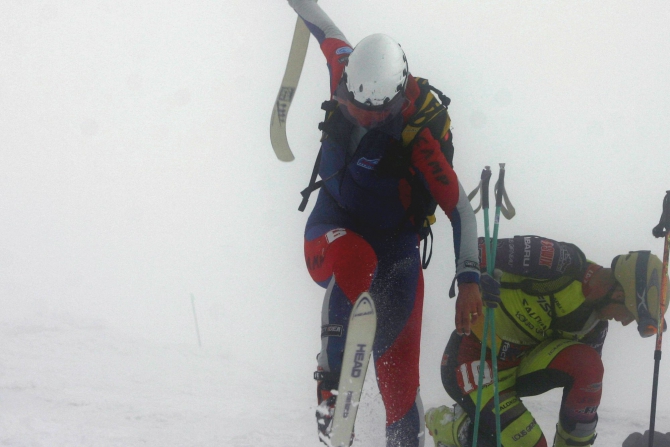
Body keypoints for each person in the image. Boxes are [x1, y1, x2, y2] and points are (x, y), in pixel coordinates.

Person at [285, 1, 483, 446]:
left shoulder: (419, 135)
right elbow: (322, 24)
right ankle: (331, 388)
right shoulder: (345, 69)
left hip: (397, 258)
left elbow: (460, 209)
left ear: (395, 103)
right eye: (353, 107)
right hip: (333, 230)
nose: (360, 116)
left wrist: (468, 276)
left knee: (401, 399)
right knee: (356, 257)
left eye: (374, 114)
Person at [425, 235, 669, 447]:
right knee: (525, 444)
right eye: (630, 314)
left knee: (589, 365)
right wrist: (477, 278)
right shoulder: (560, 262)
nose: (625, 322)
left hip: (517, 368)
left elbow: (580, 394)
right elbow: (476, 249)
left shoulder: (595, 326)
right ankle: (450, 426)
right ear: (618, 293)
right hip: (473, 357)